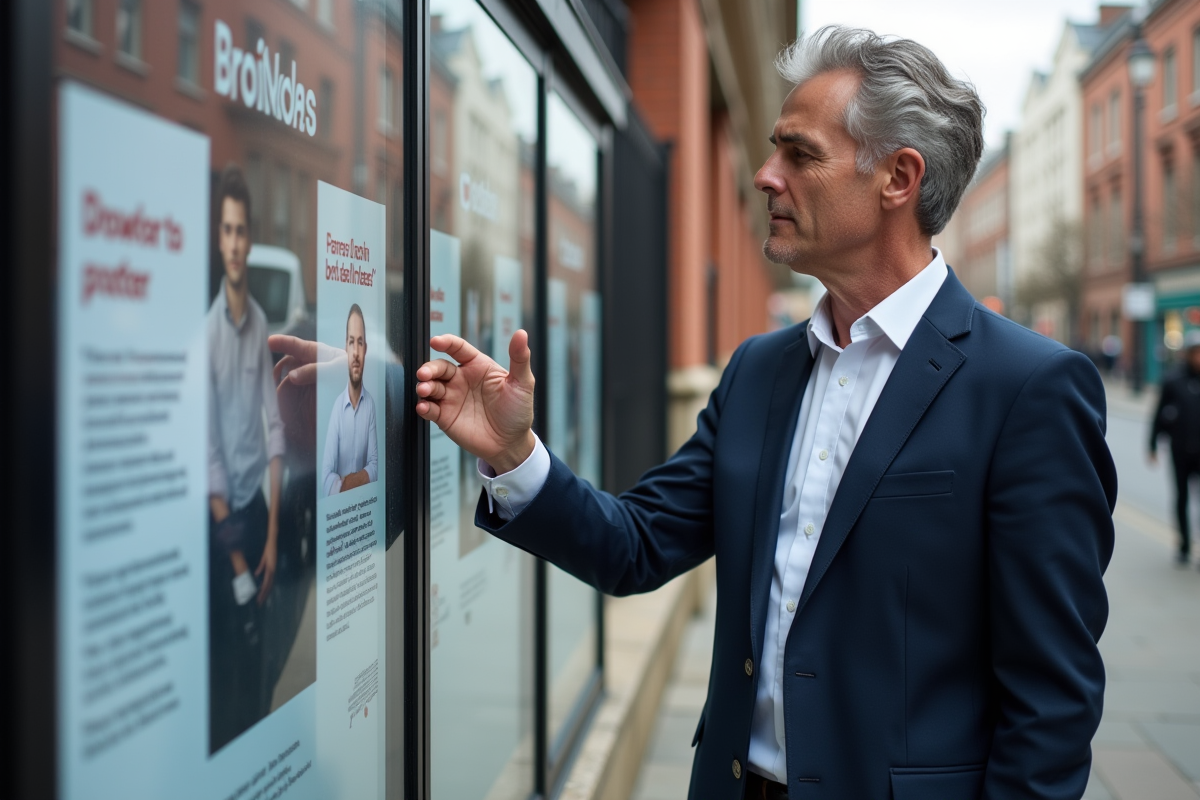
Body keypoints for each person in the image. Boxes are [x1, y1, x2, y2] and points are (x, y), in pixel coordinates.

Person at [415, 26, 1117, 800]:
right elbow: (635, 546)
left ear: (898, 177)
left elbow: (1051, 704)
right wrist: (514, 454)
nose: (764, 175)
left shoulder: (1028, 389)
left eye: (799, 154)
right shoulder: (758, 371)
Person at [207, 163, 285, 751]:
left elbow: (275, 430)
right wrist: (237, 563)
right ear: (219, 239)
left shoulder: (259, 323)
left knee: (261, 670)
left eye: (241, 231)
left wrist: (273, 535)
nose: (235, 243)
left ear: (250, 238)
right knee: (230, 666)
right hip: (222, 526)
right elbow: (209, 458)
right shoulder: (207, 336)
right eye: (226, 231)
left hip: (257, 515)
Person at [1149, 329, 1200, 566]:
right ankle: (1184, 544)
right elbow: (1158, 414)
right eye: (1195, 353)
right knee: (1182, 498)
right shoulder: (1173, 380)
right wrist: (1151, 444)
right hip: (1180, 449)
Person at [321, 304, 379, 496]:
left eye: (360, 343)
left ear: (365, 349)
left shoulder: (370, 405)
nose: (355, 352)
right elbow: (325, 478)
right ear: (345, 348)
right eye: (352, 342)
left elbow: (376, 466)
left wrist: (344, 482)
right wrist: (362, 478)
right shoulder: (337, 407)